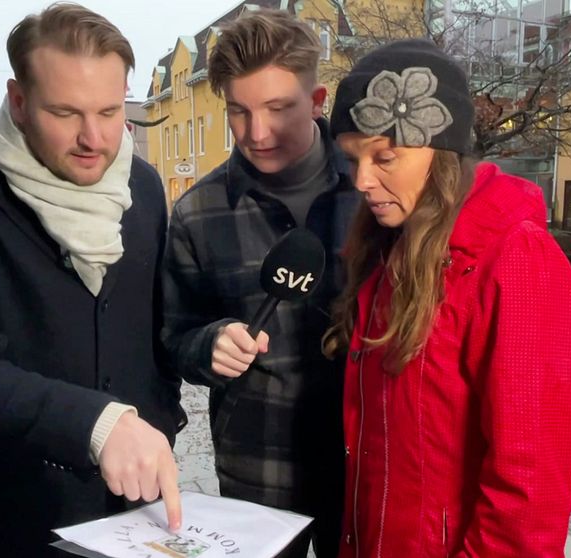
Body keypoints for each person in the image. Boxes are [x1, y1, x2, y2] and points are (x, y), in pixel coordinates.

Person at [0, 4, 185, 557]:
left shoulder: (143, 187)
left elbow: (151, 329)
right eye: (65, 113)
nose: (94, 138)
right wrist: (98, 425)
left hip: (135, 515)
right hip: (9, 521)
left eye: (109, 110)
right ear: (18, 100)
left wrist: (172, 400)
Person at [323, 39, 571, 557]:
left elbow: (529, 489)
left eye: (384, 157)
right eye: (354, 159)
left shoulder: (517, 259)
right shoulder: (387, 249)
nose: (362, 180)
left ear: (441, 152)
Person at [160, 9, 357, 558]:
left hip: (365, 458)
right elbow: (174, 337)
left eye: (278, 108)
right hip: (257, 471)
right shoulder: (198, 212)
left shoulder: (371, 191)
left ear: (317, 101)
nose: (257, 132)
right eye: (239, 112)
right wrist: (211, 344)